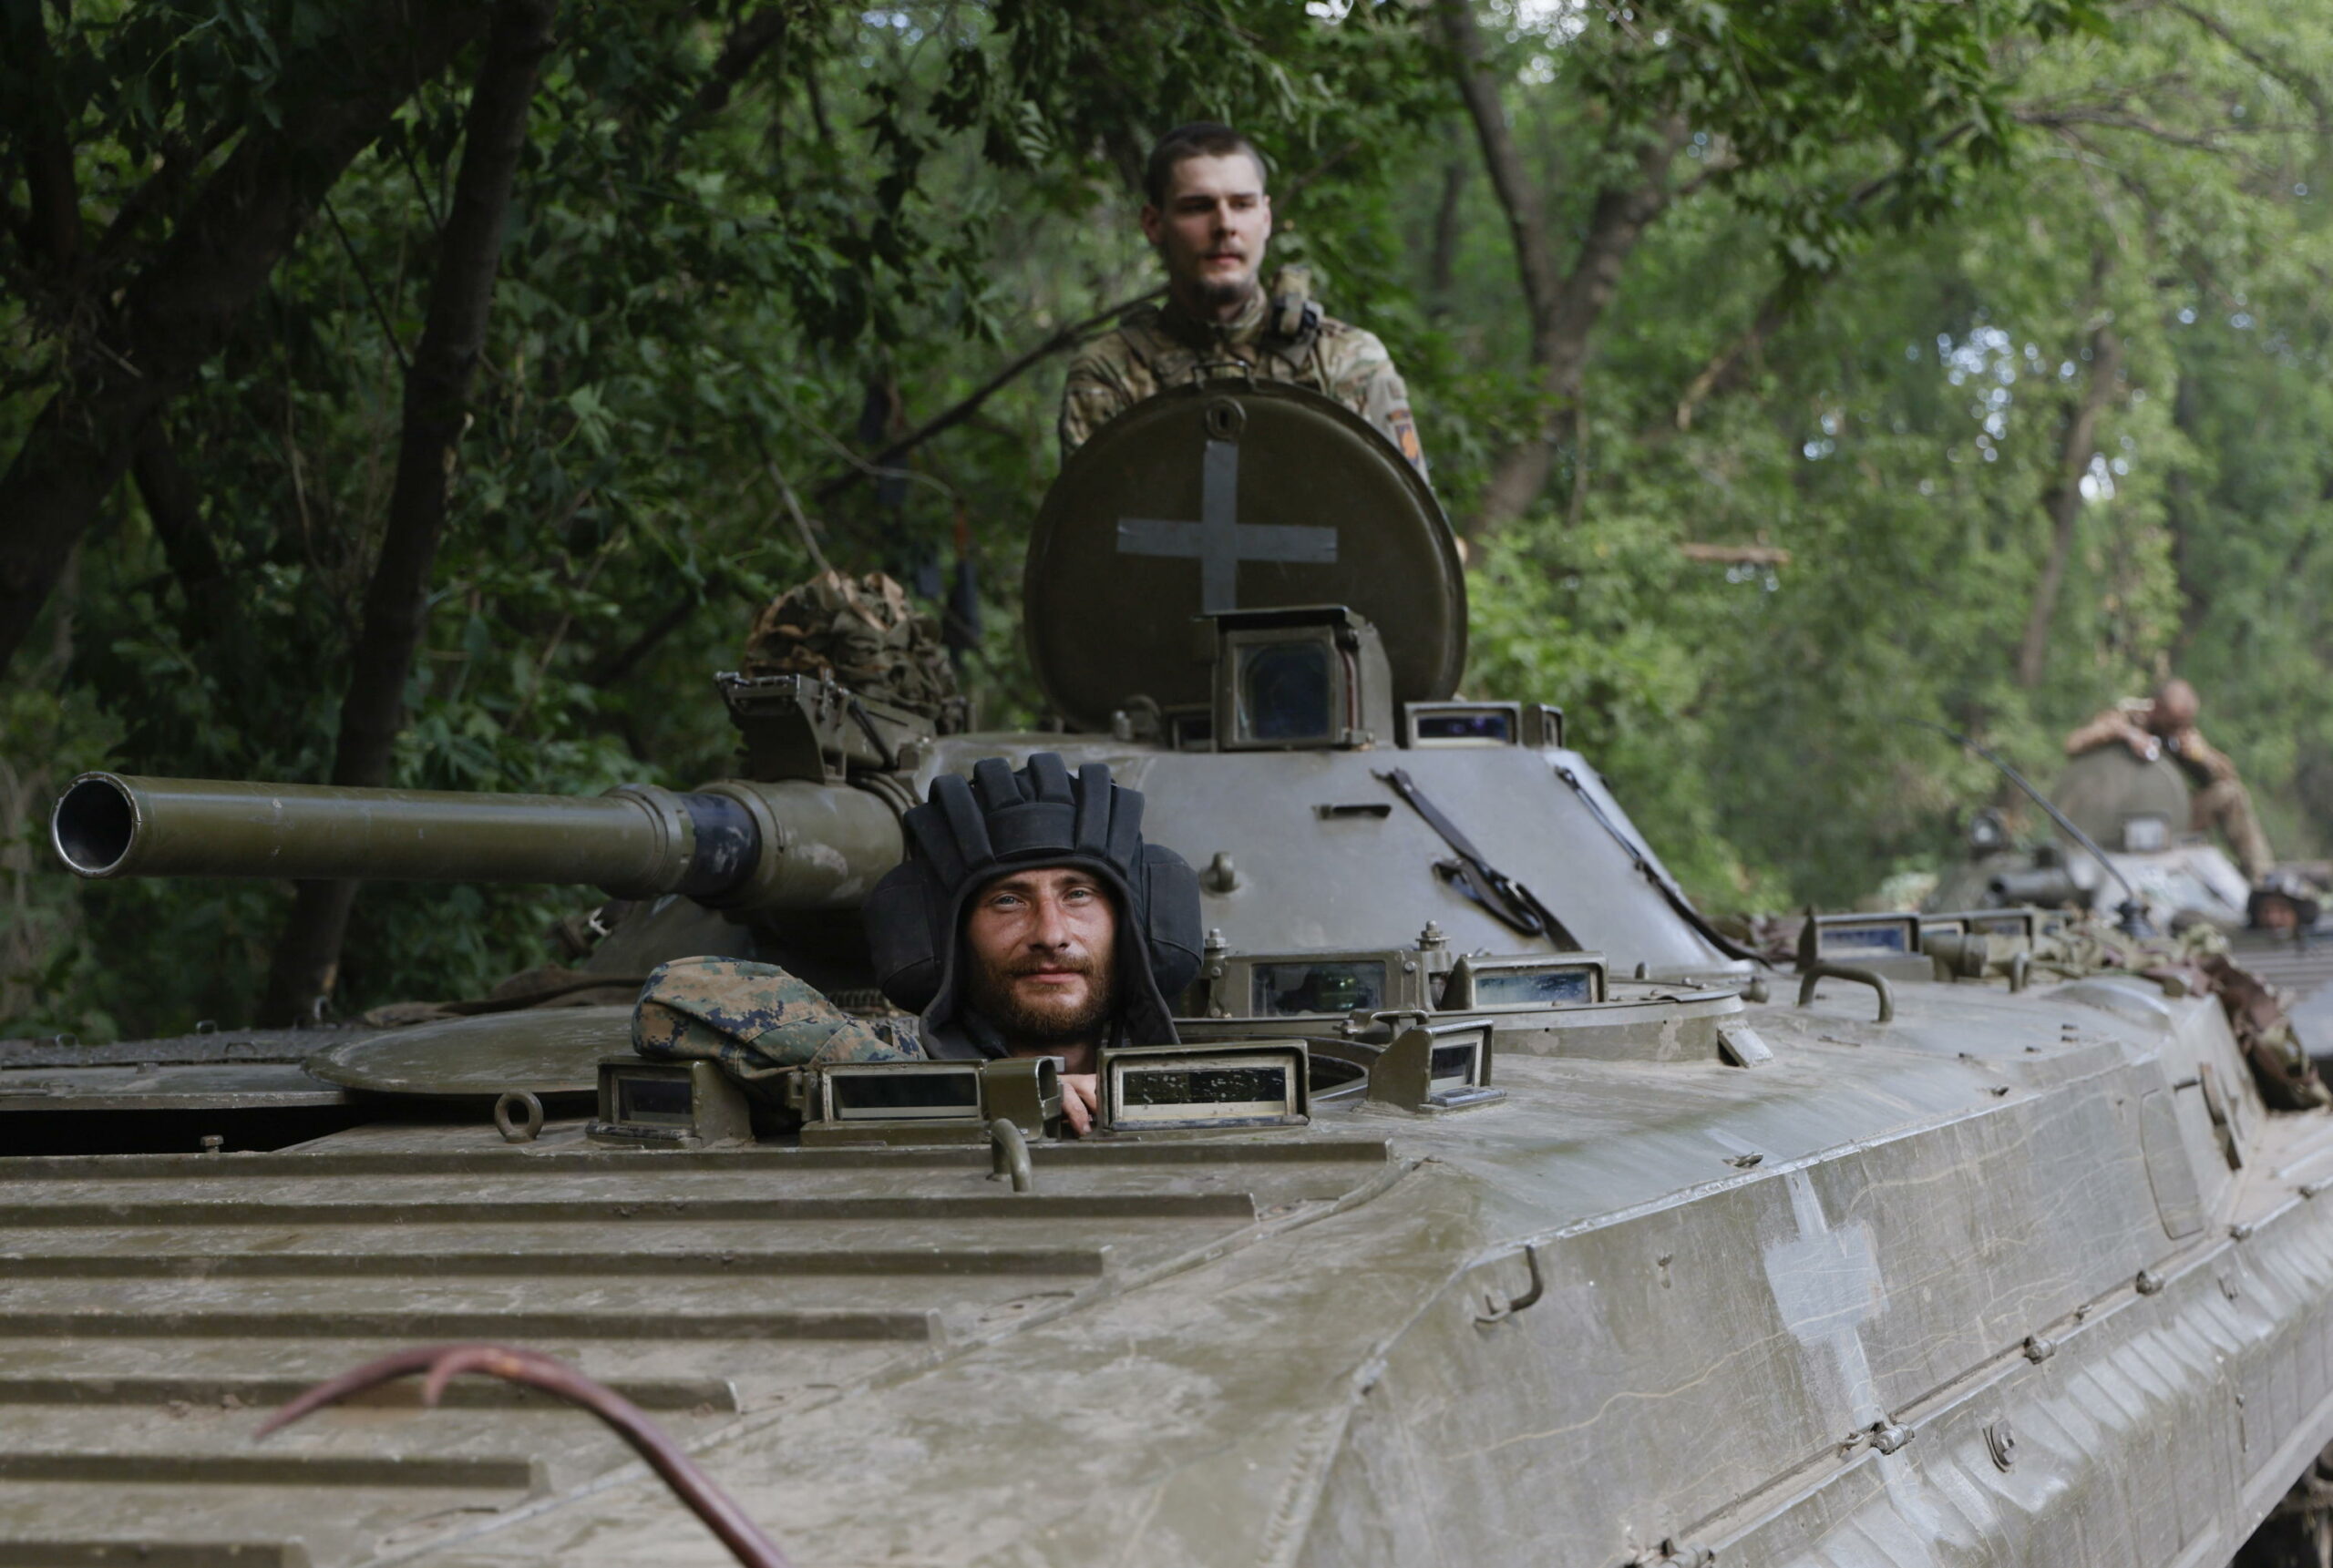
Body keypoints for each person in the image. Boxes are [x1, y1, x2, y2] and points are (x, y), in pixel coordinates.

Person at [632, 754, 1201, 1135]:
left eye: (1078, 895)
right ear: (947, 933)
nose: (1050, 933)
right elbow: (677, 997)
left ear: (1129, 920)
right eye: (1007, 900)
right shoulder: (895, 1059)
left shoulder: (1209, 1076)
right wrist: (983, 1093)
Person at [1058, 121, 1428, 478]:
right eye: (1197, 207)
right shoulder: (1111, 371)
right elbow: (1091, 530)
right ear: (1154, 223)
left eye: (1242, 205)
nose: (1224, 226)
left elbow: (1406, 525)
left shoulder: (1345, 361)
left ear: (1265, 218)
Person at [2064, 678, 2276, 882]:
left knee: (2229, 794)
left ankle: (2262, 876)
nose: (2177, 729)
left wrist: (2202, 757)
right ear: (2156, 708)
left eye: (2184, 723)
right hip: (2113, 821)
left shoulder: (2183, 733)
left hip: (2168, 822)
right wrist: (2127, 735)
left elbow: (2228, 776)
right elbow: (2074, 743)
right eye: (2173, 722)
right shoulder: (2126, 718)